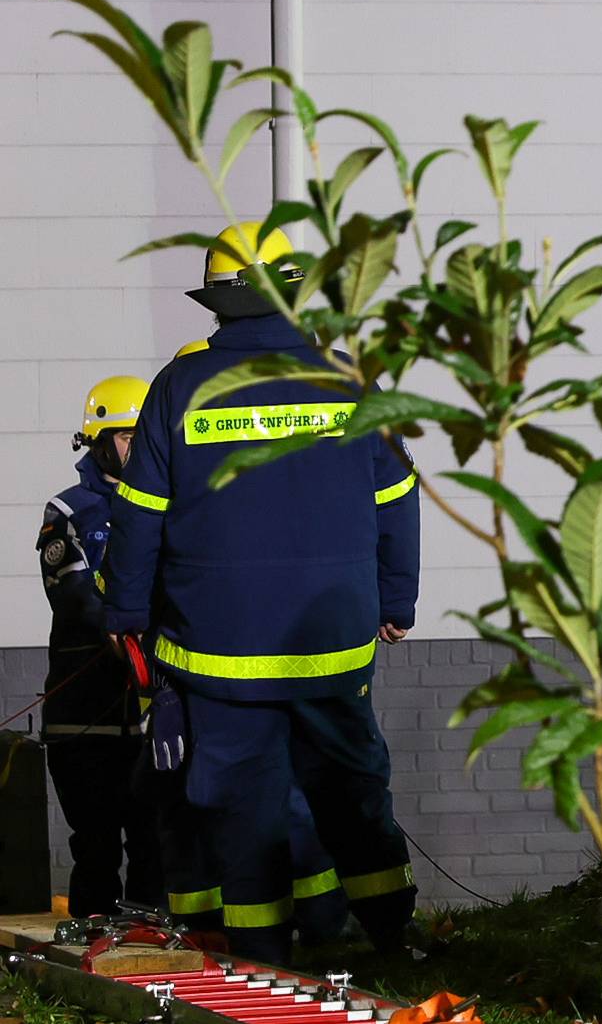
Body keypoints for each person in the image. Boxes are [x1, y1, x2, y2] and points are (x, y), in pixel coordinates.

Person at [103, 221, 422, 964]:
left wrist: (125, 612)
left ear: (217, 303)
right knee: (351, 791)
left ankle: (260, 958)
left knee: (241, 806)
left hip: (218, 653)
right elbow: (398, 496)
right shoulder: (347, 380)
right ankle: (389, 939)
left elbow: (140, 514)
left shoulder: (178, 387)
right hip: (333, 645)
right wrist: (395, 602)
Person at [37, 376, 164, 919]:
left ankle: (151, 944)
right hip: (84, 716)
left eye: (144, 437)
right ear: (97, 440)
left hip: (152, 715)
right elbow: (73, 597)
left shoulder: (164, 503)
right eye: (126, 437)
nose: (137, 448)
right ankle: (95, 948)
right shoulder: (69, 512)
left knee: (154, 840)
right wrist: (134, 622)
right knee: (96, 845)